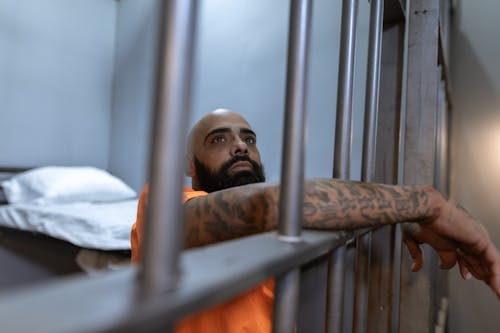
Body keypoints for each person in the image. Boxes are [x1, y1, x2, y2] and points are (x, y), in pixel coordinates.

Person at [131, 108, 500, 332]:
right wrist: (428, 205)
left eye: (249, 138)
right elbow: (268, 205)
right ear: (189, 166)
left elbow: (312, 205)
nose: (240, 145)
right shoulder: (162, 202)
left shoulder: (272, 218)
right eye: (218, 140)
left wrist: (405, 222)